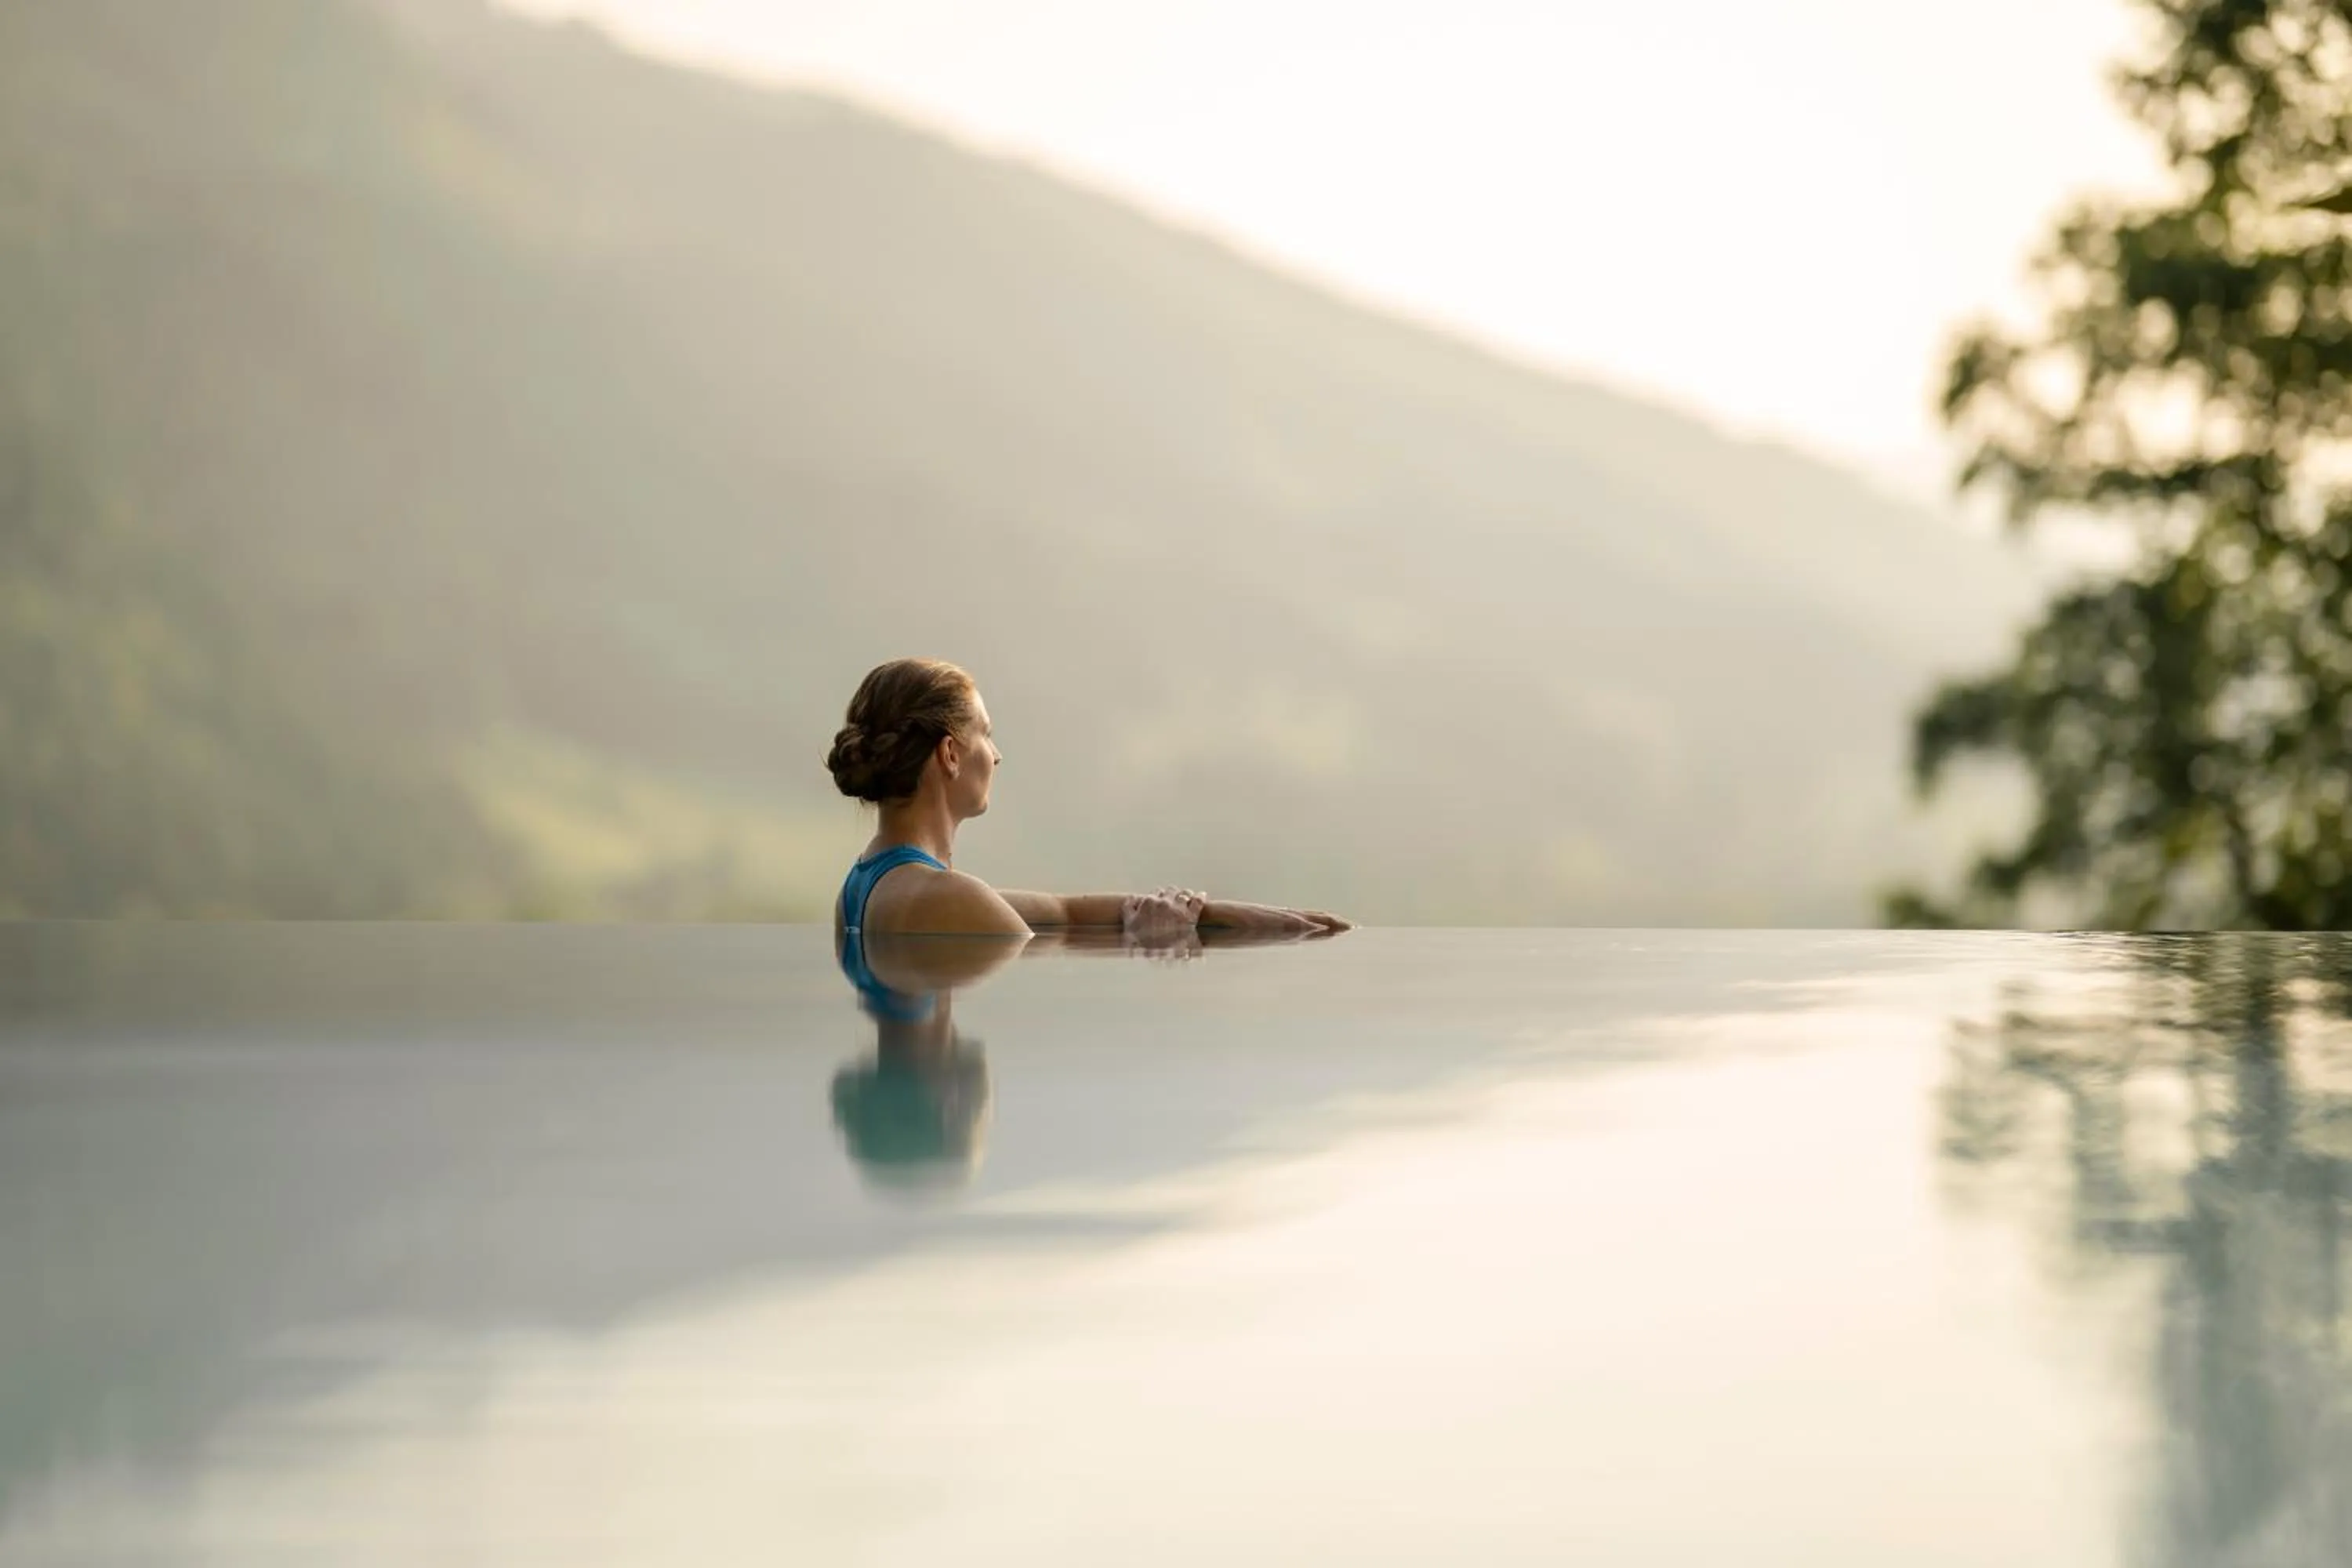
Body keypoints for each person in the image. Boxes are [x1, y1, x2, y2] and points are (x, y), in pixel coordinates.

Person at [826, 658, 1352, 939]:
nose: (997, 755)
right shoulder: (946, 897)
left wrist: (1259, 919)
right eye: (986, 734)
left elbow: (1066, 913)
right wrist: (1158, 939)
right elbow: (1035, 960)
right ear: (950, 754)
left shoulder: (866, 885)